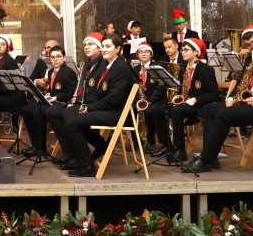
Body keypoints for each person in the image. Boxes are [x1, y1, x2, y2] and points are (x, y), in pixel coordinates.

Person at [181, 24, 253, 174]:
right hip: (249, 103)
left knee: (223, 115)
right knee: (208, 109)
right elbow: (242, 83)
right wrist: (231, 98)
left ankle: (204, 160)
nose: (252, 47)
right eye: (249, 45)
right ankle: (211, 156)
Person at [49, 33, 132, 177]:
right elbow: (100, 93)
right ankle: (99, 147)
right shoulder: (109, 65)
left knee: (73, 123)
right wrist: (86, 104)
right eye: (103, 46)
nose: (104, 50)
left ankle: (87, 165)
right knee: (70, 117)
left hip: (116, 113)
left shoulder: (120, 68)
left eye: (108, 47)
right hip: (107, 109)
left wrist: (89, 107)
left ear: (118, 49)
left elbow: (114, 99)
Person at [152, 38, 219, 162]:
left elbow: (215, 94)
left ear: (196, 52)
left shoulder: (206, 69)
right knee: (156, 111)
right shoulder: (184, 69)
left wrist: (196, 99)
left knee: (177, 111)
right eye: (182, 50)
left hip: (200, 106)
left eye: (187, 50)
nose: (183, 52)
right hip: (184, 103)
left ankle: (180, 150)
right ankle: (168, 146)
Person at [19, 42, 80, 157]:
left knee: (38, 111)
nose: (55, 59)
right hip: (52, 101)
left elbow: (70, 93)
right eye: (52, 57)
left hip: (62, 103)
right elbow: (52, 90)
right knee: (26, 110)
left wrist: (55, 97)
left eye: (58, 57)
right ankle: (35, 145)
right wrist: (47, 96)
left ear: (64, 58)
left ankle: (41, 148)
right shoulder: (51, 72)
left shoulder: (69, 72)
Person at [132, 42, 166, 154]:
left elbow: (161, 86)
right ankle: (136, 140)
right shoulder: (135, 70)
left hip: (155, 100)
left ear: (151, 54)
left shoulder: (158, 67)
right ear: (137, 55)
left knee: (150, 111)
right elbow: (132, 88)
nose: (143, 54)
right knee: (128, 111)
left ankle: (151, 140)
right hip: (140, 100)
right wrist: (137, 101)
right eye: (140, 52)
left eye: (146, 51)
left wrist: (150, 101)